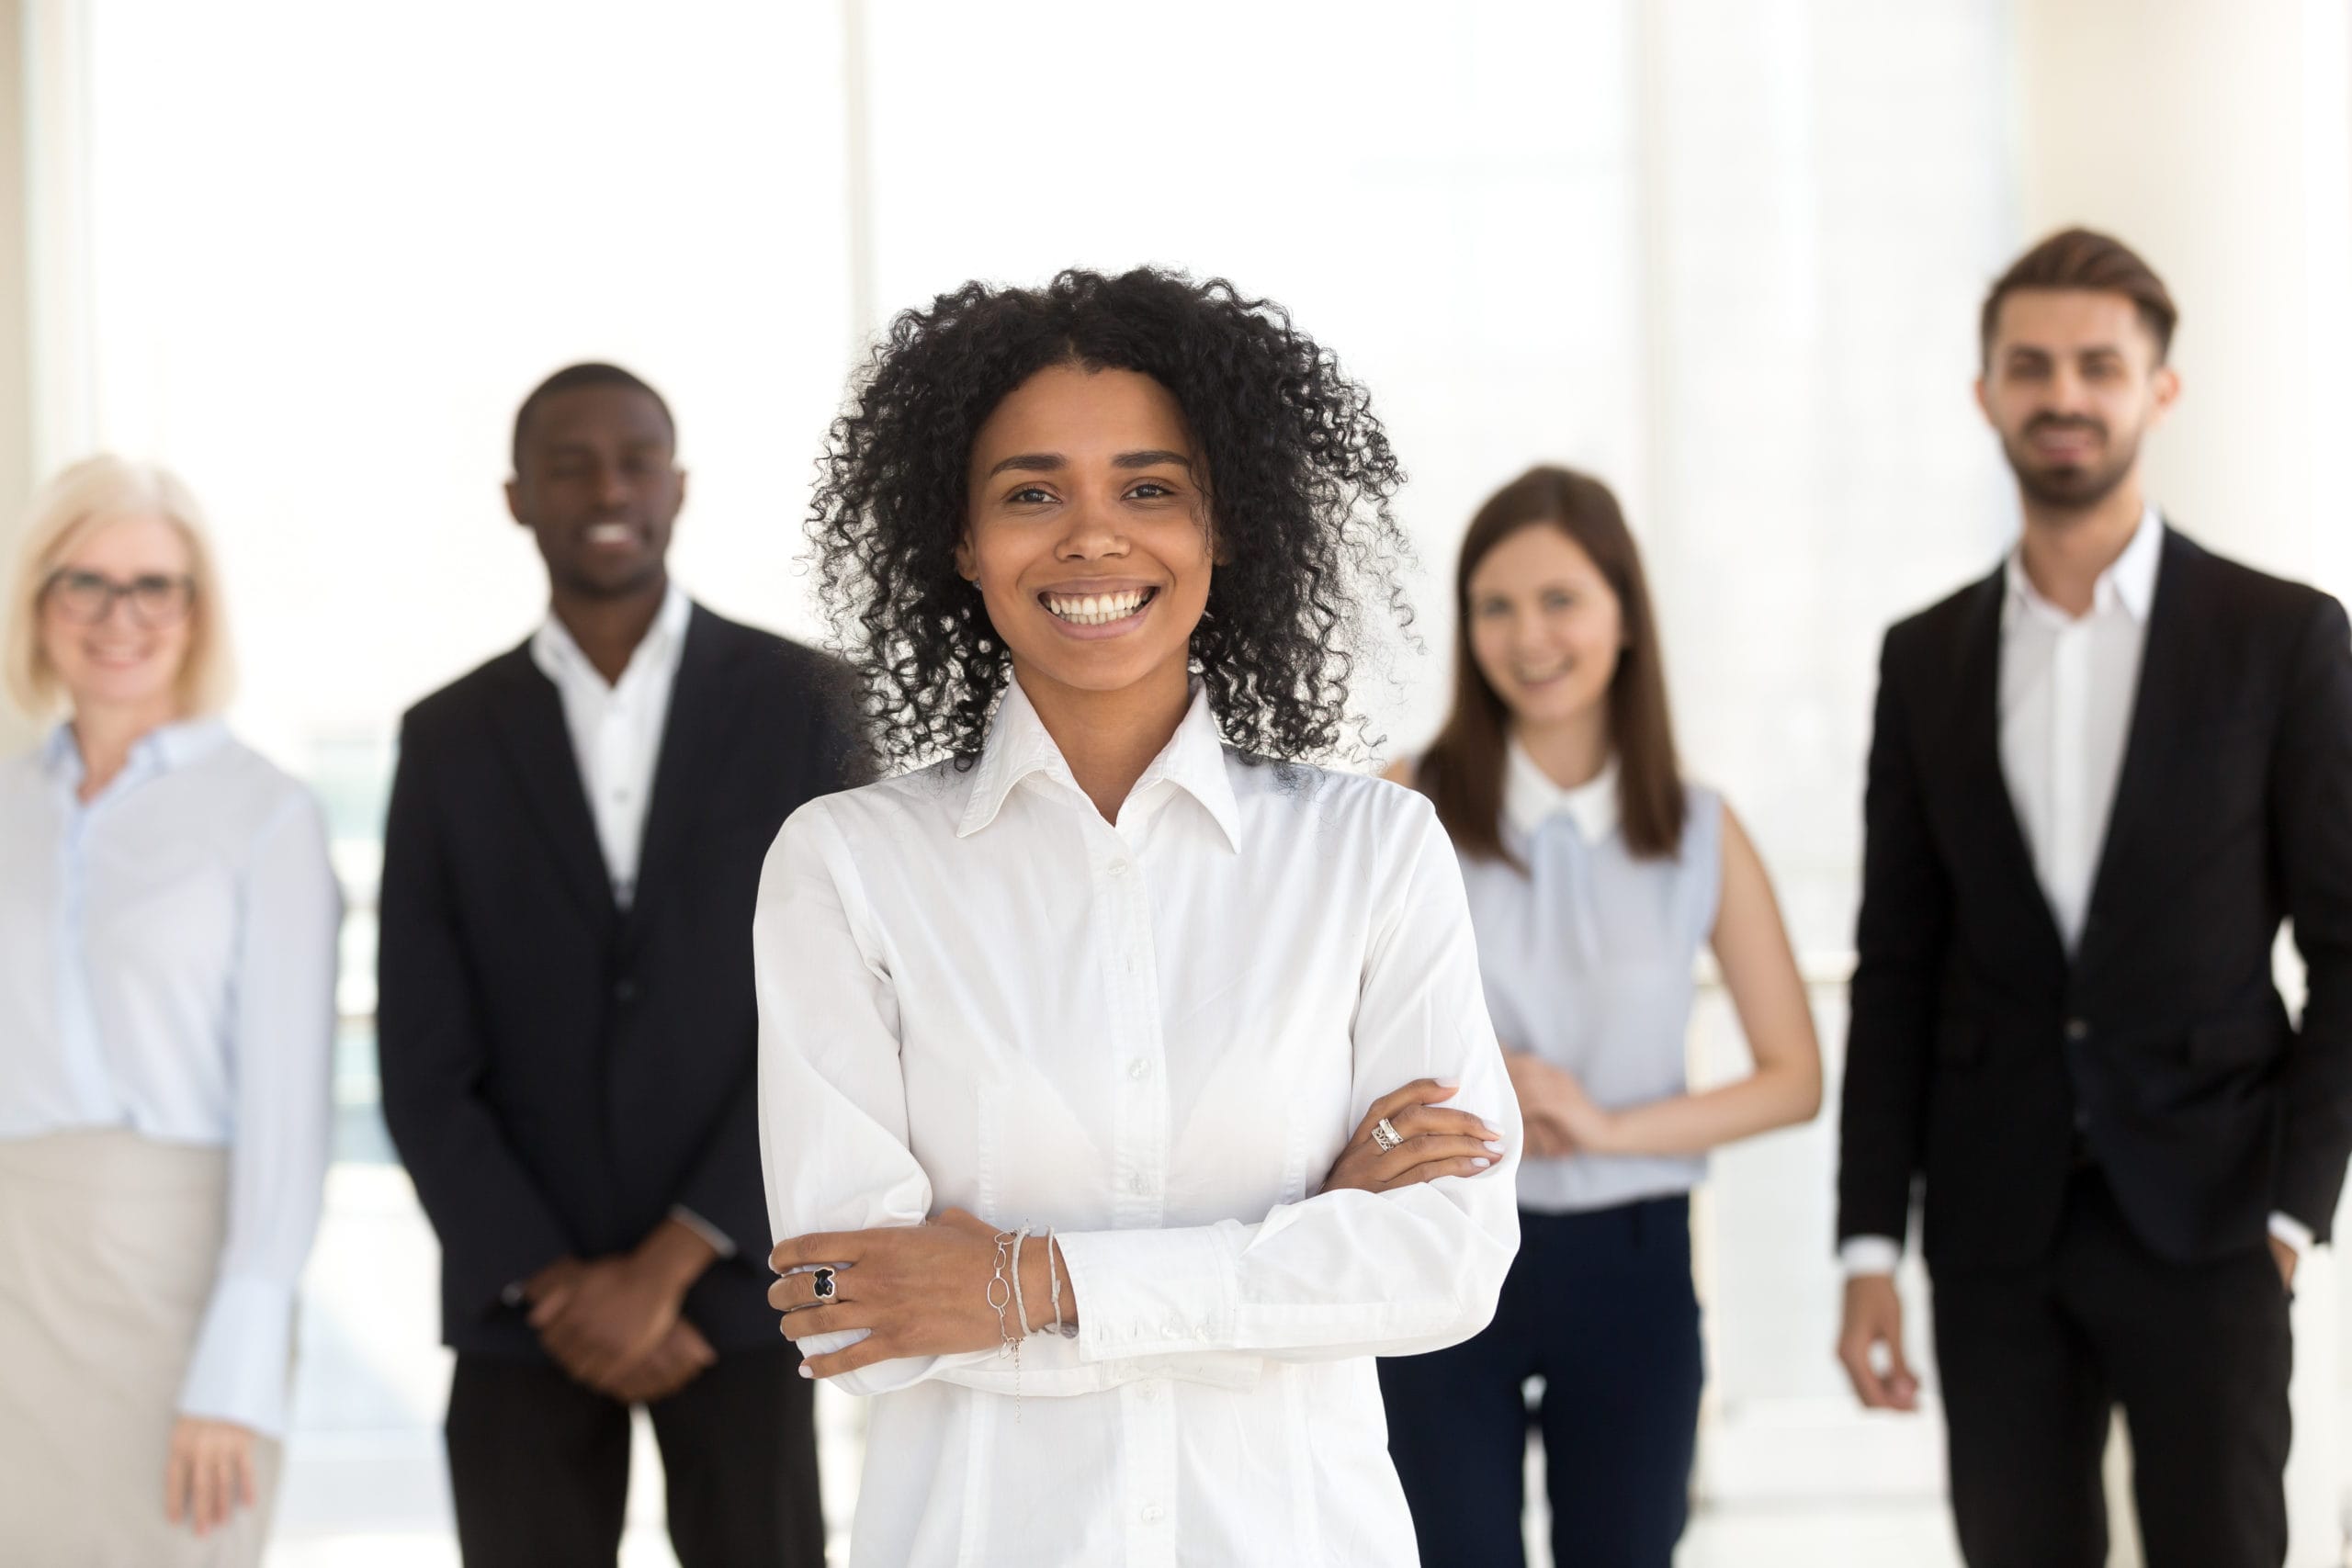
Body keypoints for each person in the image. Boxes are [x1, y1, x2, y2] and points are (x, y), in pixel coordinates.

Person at [754, 267, 1522, 1565]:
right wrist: (1296, 1248)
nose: (1093, 537)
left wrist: (1020, 1283)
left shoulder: (1373, 851)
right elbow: (852, 1315)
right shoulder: (847, 866)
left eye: (1150, 488)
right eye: (1032, 491)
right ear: (959, 540)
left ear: (1226, 528)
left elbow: (1444, 1260)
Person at [1836, 229, 2352, 1567]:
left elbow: (2346, 944)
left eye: (2098, 364)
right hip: (1994, 1229)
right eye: (2031, 364)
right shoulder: (1926, 656)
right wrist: (1863, 1244)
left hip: (2216, 1215)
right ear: (1986, 392)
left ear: (2157, 390)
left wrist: (2294, 1208)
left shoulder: (2281, 637)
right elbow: (1895, 963)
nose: (2064, 392)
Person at [377, 363, 860, 1567]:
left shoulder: (810, 703)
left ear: (678, 485)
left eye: (635, 458)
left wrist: (677, 1259)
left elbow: (842, 1015)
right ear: (516, 496)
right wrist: (554, 1279)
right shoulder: (444, 736)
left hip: (741, 1287)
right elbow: (423, 1052)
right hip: (521, 1305)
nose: (606, 486)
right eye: (569, 462)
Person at [1374, 465, 1822, 1566]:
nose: (1530, 636)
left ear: (1623, 615)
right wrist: (1480, 1089)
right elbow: (1326, 1043)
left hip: (1631, 1267)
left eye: (1561, 600)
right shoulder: (1404, 806)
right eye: (1496, 606)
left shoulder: (1701, 831)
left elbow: (1792, 1078)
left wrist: (1610, 1127)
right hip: (1446, 1253)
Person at [0, 456, 339, 1564]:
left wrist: (236, 1365)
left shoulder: (264, 814)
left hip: (180, 1280)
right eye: (84, 582)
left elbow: (289, 1119)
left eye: (154, 585)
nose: (119, 617)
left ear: (198, 612)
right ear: (38, 601)